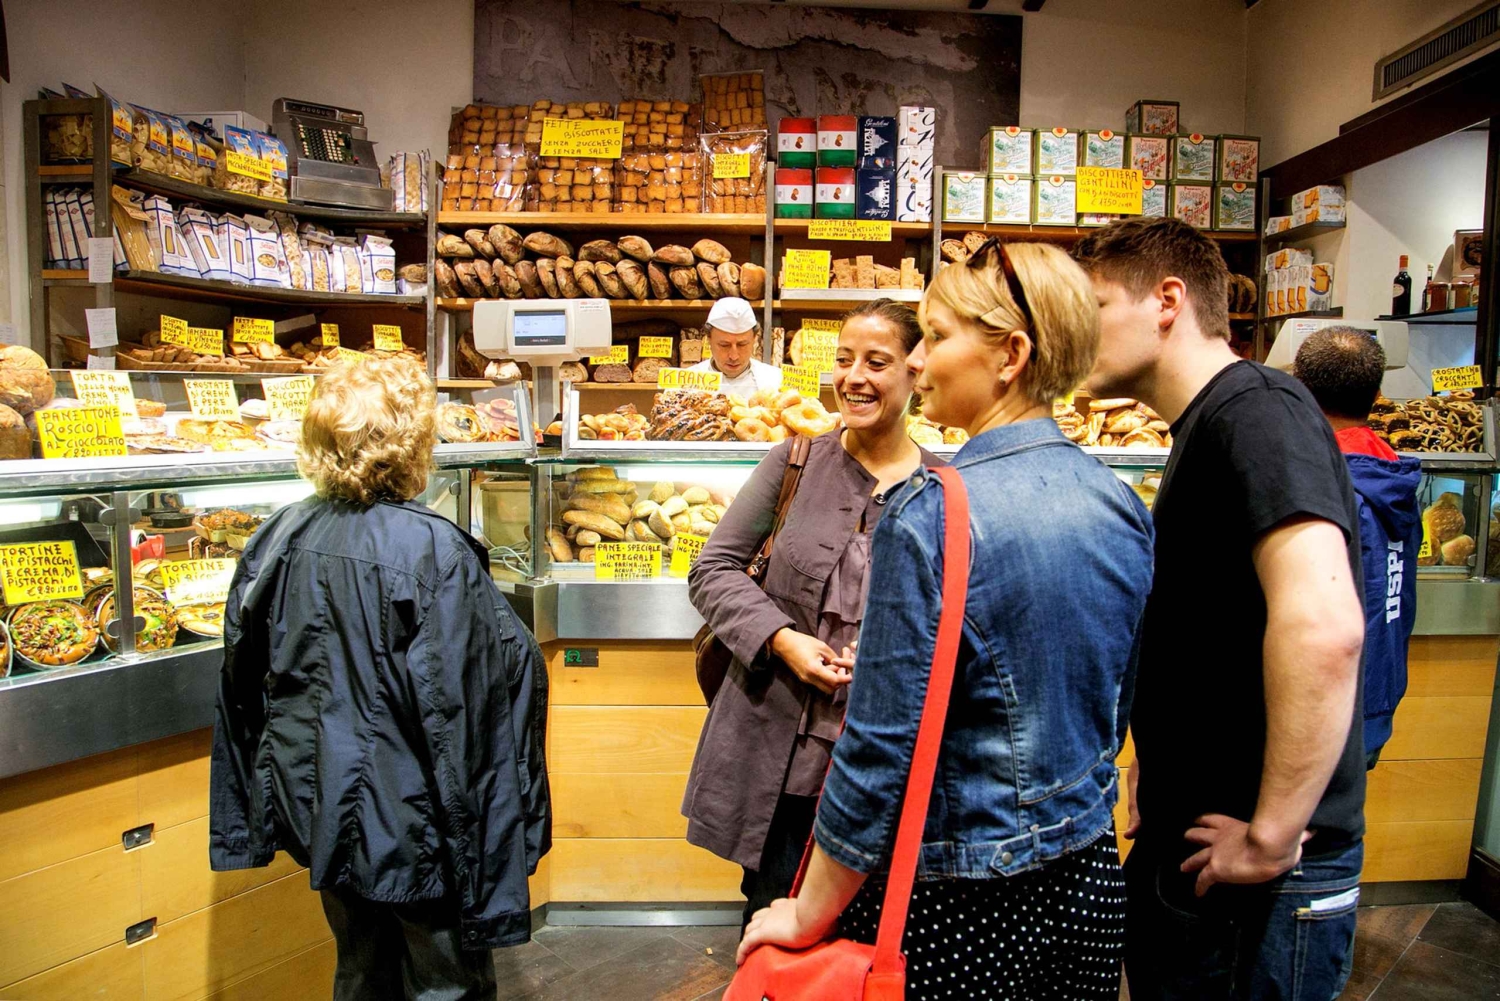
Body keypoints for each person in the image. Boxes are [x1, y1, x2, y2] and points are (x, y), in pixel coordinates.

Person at [736, 241, 1155, 1000]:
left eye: (936, 335)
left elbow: (878, 746)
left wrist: (808, 909)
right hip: (1090, 878)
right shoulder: (1118, 498)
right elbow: (1118, 696)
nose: (918, 360)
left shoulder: (931, 513)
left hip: (967, 894)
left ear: (1011, 356)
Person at [1072, 218, 1368, 1000]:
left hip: (1258, 878)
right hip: (1202, 845)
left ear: (1167, 301)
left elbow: (1326, 627)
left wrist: (1271, 835)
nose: (1073, 332)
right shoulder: (1208, 424)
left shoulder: (1258, 411)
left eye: (1092, 307)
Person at [209, 354, 550, 1001]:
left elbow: (245, 685)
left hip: (323, 810)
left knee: (361, 968)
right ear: (412, 442)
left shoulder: (281, 533)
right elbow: (467, 721)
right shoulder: (433, 551)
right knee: (446, 986)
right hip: (418, 827)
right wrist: (492, 855)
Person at [685, 298, 941, 931]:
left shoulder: (944, 489)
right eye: (844, 359)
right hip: (783, 755)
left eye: (876, 362)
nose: (854, 377)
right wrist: (781, 639)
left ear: (916, 371)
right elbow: (712, 569)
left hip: (889, 758)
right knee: (773, 917)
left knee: (880, 935)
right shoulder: (794, 461)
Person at [1293, 327, 1422, 770]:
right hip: (1377, 696)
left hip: (1321, 714)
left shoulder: (1319, 477)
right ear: (1378, 393)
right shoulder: (1390, 472)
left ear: (1299, 388)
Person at [691, 296, 784, 397]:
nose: (734, 356)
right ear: (709, 339)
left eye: (742, 345)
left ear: (754, 339)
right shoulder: (686, 383)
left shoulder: (777, 381)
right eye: (724, 345)